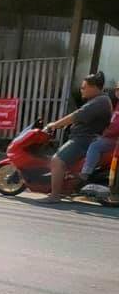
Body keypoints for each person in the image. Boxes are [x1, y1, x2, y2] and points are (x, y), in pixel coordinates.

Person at [39, 71, 112, 202]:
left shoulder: (99, 101)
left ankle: (54, 196)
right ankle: (65, 188)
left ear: (94, 87)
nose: (81, 90)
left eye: (84, 87)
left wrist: (54, 125)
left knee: (57, 161)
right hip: (84, 137)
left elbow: (76, 116)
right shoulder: (99, 100)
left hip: (83, 139)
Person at [79, 82, 119, 186]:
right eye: (117, 89)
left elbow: (116, 127)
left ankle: (85, 173)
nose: (117, 92)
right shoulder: (117, 105)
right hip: (110, 137)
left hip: (114, 140)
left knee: (95, 146)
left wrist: (105, 133)